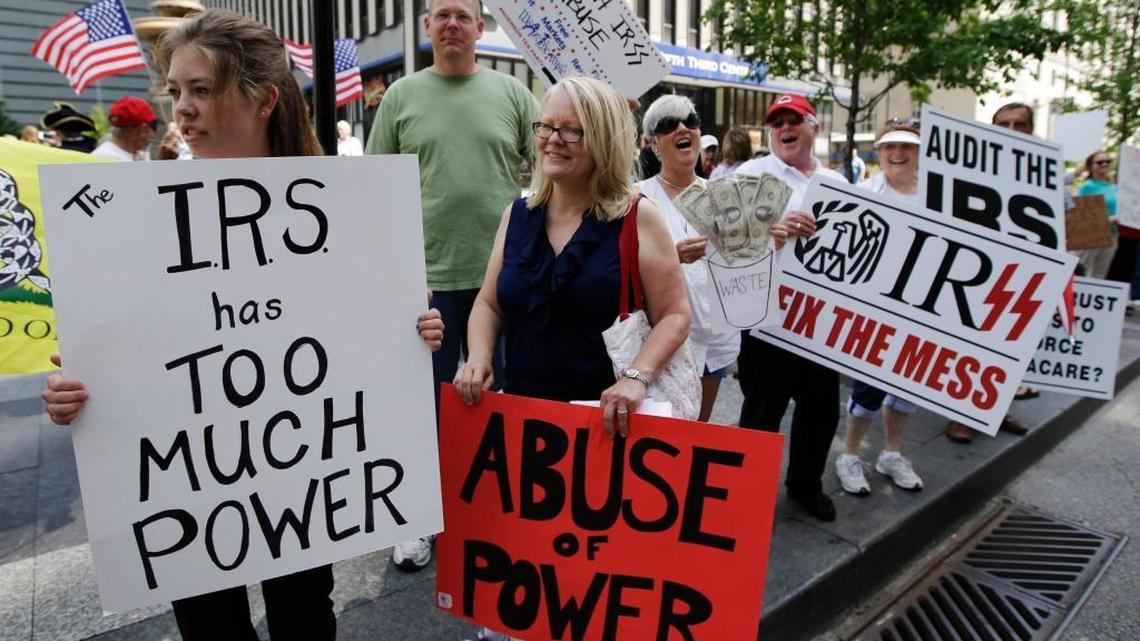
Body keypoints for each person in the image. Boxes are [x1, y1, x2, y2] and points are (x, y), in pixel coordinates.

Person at [41, 11, 445, 641]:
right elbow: (115, 349)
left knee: (306, 612)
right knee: (209, 625)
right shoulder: (134, 218)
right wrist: (76, 391)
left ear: (264, 98)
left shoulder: (342, 209)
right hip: (188, 485)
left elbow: (369, 331)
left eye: (202, 89)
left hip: (301, 468)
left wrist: (412, 333)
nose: (184, 109)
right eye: (175, 91)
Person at [365, 0, 538, 572]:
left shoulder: (513, 95)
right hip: (427, 279)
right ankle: (416, 519)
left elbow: (548, 171)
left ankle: (492, 511)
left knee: (505, 398)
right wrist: (389, 273)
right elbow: (375, 188)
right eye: (442, 14)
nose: (452, 24)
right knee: (424, 406)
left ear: (480, 28)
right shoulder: (400, 97)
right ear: (426, 28)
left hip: (503, 276)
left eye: (463, 14)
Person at [734, 93, 846, 522]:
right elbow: (724, 239)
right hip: (767, 318)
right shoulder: (751, 173)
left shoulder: (839, 184)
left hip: (821, 321)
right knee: (763, 409)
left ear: (814, 127)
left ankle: (804, 486)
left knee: (821, 410)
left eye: (794, 119)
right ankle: (750, 495)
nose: (784, 127)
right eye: (777, 121)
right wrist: (772, 233)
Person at [834, 122, 924, 496]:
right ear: (879, 151)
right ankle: (850, 456)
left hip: (922, 311)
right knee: (868, 387)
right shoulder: (865, 191)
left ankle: (891, 453)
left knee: (906, 388)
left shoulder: (938, 196)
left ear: (919, 152)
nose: (898, 153)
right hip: (875, 309)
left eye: (906, 146)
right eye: (890, 146)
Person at [637, 95, 739, 421]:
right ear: (653, 142)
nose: (682, 128)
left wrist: (770, 241)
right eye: (668, 125)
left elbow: (743, 264)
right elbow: (617, 270)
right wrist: (670, 258)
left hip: (715, 341)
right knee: (663, 433)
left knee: (699, 430)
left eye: (690, 121)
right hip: (660, 343)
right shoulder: (637, 197)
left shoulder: (725, 197)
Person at [945, 102, 1042, 443]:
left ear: (1031, 130)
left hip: (1023, 273)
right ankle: (960, 415)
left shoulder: (1046, 173)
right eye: (1004, 125)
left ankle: (995, 411)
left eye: (1020, 125)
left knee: (1007, 345)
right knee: (970, 344)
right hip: (976, 272)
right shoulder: (970, 172)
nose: (1012, 131)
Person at [1075, 149, 1118, 279]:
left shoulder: (1114, 187)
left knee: (1100, 276)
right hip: (1091, 234)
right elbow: (1081, 216)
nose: (1104, 164)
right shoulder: (1087, 187)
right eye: (1100, 162)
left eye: (1107, 161)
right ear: (1091, 166)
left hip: (1112, 234)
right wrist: (1110, 219)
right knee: (1082, 272)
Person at [93, 96, 178, 161]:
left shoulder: (137, 154)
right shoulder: (106, 160)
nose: (152, 134)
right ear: (142, 130)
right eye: (153, 125)